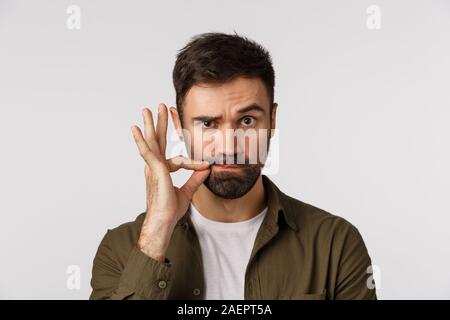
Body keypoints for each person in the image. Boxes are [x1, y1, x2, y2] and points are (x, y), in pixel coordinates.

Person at [89, 32, 377, 300]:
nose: (228, 147)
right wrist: (157, 232)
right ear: (179, 125)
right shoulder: (121, 249)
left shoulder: (335, 245)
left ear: (272, 120)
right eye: (208, 123)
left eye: (247, 121)